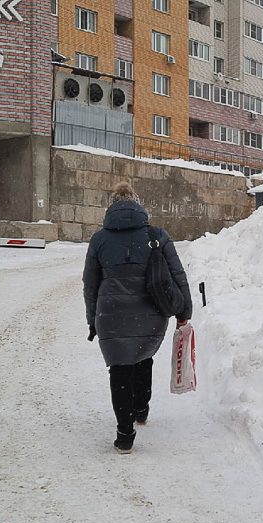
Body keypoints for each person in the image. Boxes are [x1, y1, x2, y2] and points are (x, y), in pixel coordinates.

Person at [83, 182, 193, 454]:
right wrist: (184, 312)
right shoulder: (157, 235)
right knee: (143, 356)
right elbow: (177, 275)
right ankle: (141, 408)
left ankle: (124, 435)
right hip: (151, 311)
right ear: (138, 203)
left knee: (120, 367)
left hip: (110, 314)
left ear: (111, 206)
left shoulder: (99, 240)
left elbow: (90, 284)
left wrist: (92, 320)